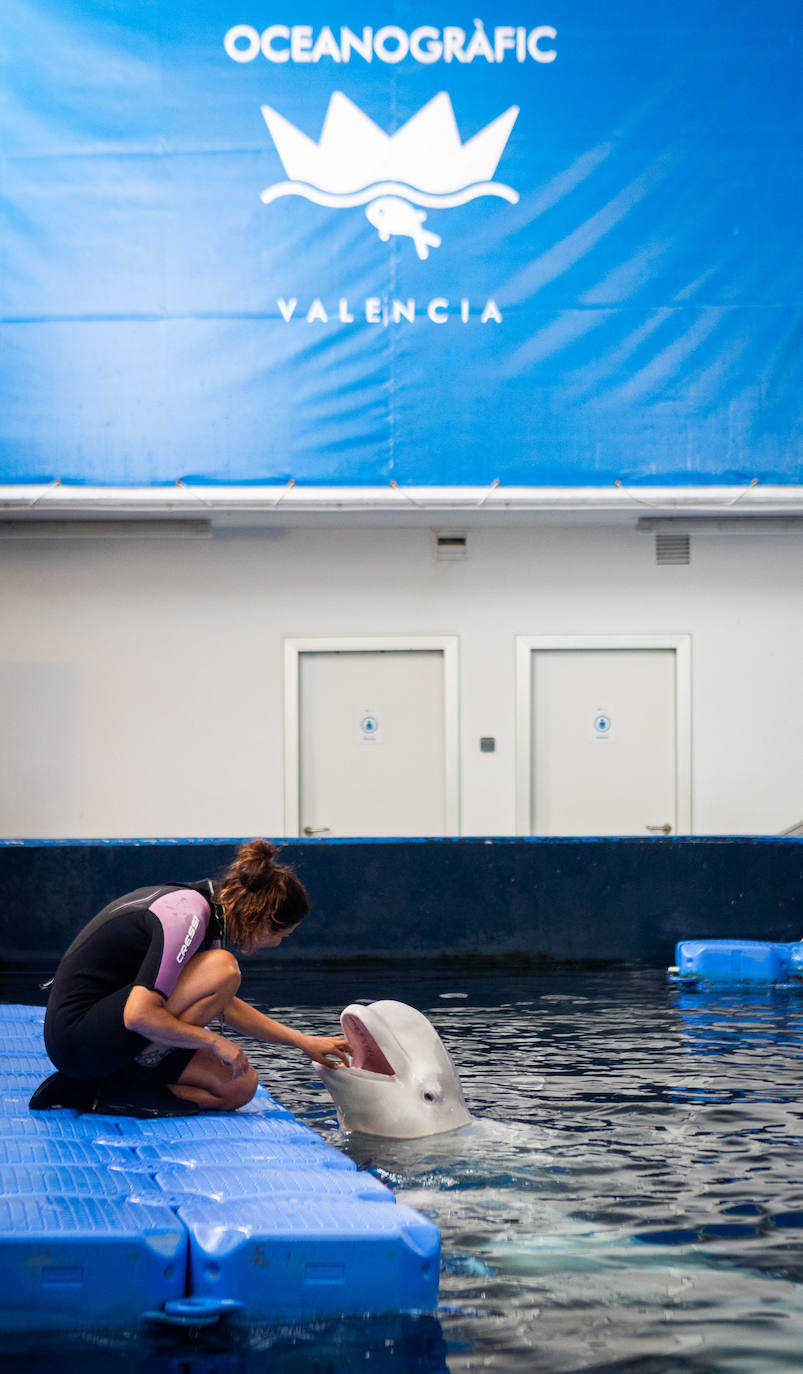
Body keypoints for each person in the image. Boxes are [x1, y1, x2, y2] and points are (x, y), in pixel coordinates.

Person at [31, 838, 350, 1116]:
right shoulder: (189, 914)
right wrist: (214, 1042)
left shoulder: (212, 922)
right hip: (77, 1039)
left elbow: (225, 1006)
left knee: (239, 1086)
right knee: (224, 968)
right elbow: (138, 1014)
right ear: (266, 921)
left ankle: (97, 1092)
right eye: (283, 935)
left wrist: (303, 1042)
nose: (279, 944)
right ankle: (132, 1079)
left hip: (112, 1037)